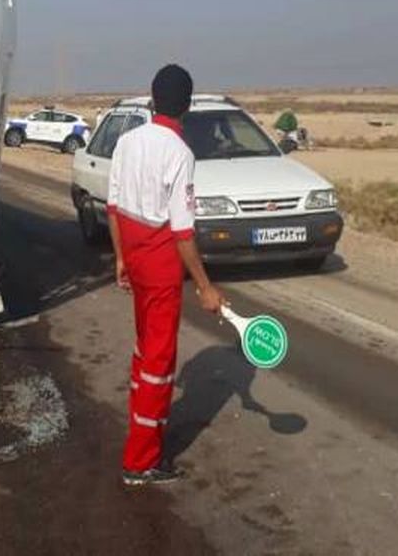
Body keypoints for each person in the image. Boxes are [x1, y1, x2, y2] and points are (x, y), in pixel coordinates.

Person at [106, 63, 226, 487]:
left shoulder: (127, 142)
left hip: (135, 256)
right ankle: (141, 461)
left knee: (144, 352)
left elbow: (114, 207)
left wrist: (121, 258)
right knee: (158, 362)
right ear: (187, 106)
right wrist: (206, 288)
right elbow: (182, 232)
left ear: (152, 97)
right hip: (158, 265)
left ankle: (145, 432)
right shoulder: (180, 154)